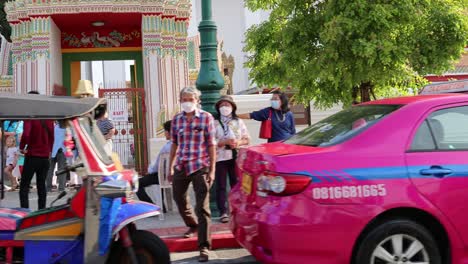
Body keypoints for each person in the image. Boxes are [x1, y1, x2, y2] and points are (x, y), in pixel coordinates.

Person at [169, 87, 216, 263]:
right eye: (184, 99)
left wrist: (212, 170)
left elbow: (211, 145)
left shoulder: (206, 118)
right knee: (179, 198)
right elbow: (174, 143)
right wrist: (171, 167)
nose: (187, 102)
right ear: (180, 100)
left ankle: (204, 246)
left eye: (191, 99)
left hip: (200, 165)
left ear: (197, 100)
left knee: (202, 207)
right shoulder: (176, 119)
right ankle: (192, 225)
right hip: (182, 164)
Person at [214, 95, 250, 223]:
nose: (225, 107)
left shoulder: (238, 122)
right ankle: (223, 211)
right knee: (221, 185)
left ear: (232, 107)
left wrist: (238, 142)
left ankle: (237, 209)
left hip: (236, 156)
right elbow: (211, 141)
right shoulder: (214, 122)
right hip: (220, 158)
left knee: (237, 184)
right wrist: (223, 142)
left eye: (227, 105)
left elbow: (247, 138)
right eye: (222, 105)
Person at [19, 91, 54, 210]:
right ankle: (42, 211)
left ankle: (24, 212)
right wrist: (49, 150)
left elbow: (26, 134)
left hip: (32, 155)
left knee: (24, 185)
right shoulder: (47, 116)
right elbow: (52, 136)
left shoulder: (30, 116)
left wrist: (22, 147)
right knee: (41, 185)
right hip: (44, 157)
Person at [136, 120, 172, 211]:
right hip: (175, 176)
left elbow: (157, 166)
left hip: (162, 177)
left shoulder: (166, 147)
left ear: (168, 132)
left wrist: (149, 170)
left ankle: (150, 207)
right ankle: (161, 205)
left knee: (136, 184)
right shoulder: (180, 145)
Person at [46, 121, 68, 192]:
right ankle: (61, 188)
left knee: (49, 170)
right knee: (62, 170)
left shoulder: (53, 127)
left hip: (52, 150)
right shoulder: (66, 127)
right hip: (62, 150)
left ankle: (48, 188)